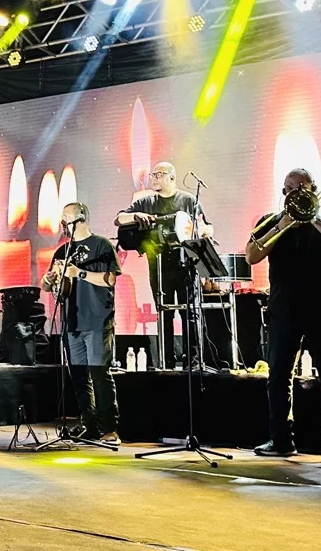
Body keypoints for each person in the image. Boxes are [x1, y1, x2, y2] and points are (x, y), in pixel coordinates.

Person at [246, 169, 321, 461]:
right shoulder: (272, 220)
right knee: (279, 375)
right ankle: (280, 440)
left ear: (312, 189)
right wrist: (281, 226)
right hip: (284, 309)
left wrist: (313, 218)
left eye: (299, 187)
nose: (292, 193)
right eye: (288, 188)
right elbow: (252, 255)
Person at [114, 161, 214, 370]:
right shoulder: (145, 202)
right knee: (164, 312)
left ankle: (193, 361)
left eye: (159, 174)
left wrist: (198, 230)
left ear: (172, 177)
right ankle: (166, 361)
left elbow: (208, 228)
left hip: (186, 263)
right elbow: (119, 219)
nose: (154, 179)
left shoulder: (188, 200)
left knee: (190, 312)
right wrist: (135, 216)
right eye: (153, 175)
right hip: (158, 263)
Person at [43, 202, 121, 443]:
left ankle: (110, 428)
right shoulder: (62, 251)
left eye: (66, 218)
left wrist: (80, 273)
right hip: (72, 322)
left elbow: (110, 280)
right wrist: (48, 279)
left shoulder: (102, 245)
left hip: (97, 319)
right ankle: (90, 425)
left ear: (81, 219)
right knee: (79, 378)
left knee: (99, 375)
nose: (63, 224)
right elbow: (46, 286)